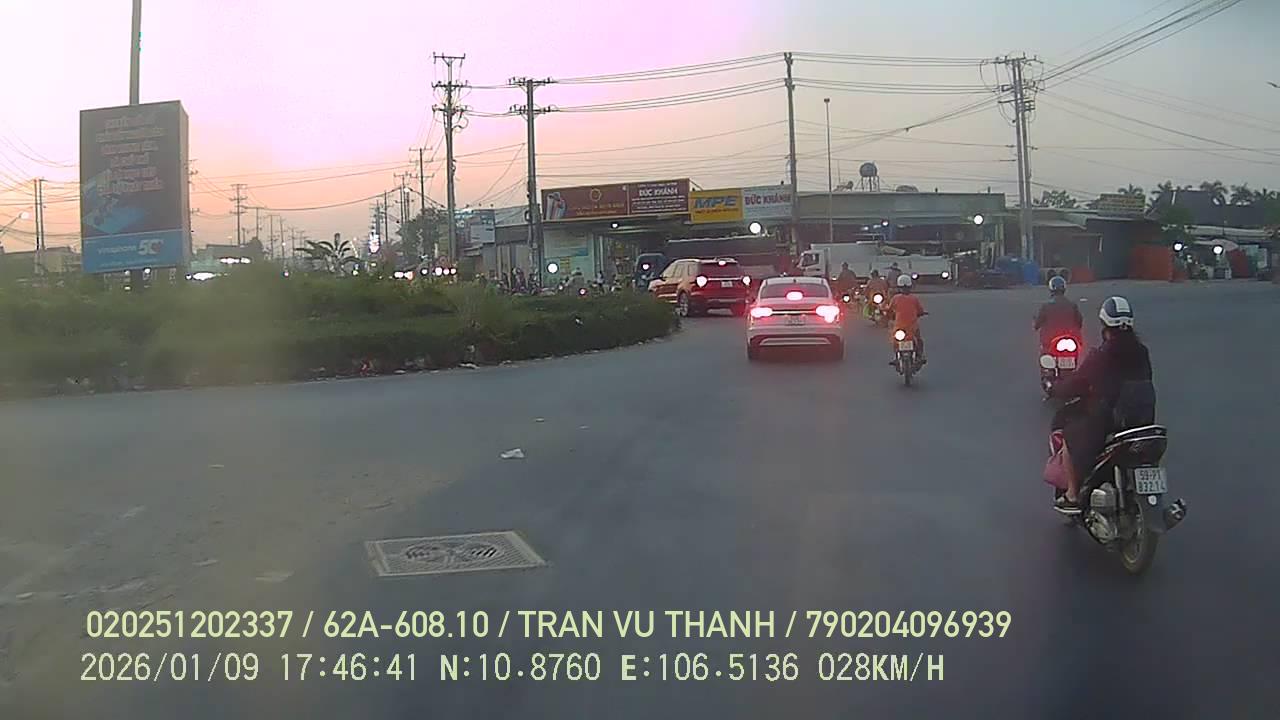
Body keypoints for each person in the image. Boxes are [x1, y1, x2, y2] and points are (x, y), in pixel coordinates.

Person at [1049, 296, 1155, 513]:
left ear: (1105, 325)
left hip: (1111, 419)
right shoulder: (1142, 352)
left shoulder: (1100, 355)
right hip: (1144, 419)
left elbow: (1077, 383)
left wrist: (1056, 389)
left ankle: (1072, 494)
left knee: (1069, 437)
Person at [1034, 275, 1084, 353]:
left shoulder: (1046, 306)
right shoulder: (1072, 305)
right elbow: (1079, 323)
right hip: (1070, 339)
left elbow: (1037, 324)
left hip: (1050, 341)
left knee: (1045, 354)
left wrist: (1036, 324)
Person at [886, 274, 927, 364]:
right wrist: (922, 313)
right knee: (919, 340)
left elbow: (889, 310)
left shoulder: (895, 298)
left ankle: (896, 357)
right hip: (912, 327)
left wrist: (888, 314)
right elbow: (920, 310)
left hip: (899, 327)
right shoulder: (914, 299)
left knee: (895, 341)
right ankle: (920, 355)